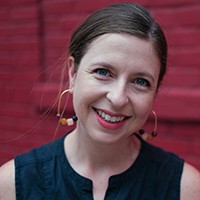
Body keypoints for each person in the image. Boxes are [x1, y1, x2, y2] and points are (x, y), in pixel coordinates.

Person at [0, 2, 200, 200]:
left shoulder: (186, 188)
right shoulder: (12, 185)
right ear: (73, 72)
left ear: (155, 92)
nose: (118, 98)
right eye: (103, 72)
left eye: (141, 81)